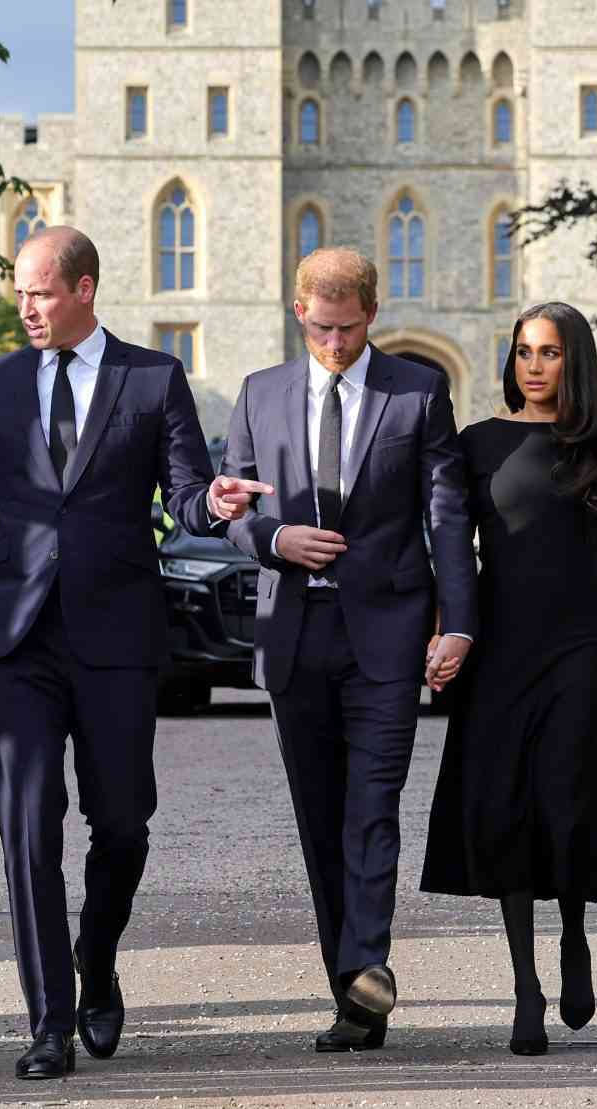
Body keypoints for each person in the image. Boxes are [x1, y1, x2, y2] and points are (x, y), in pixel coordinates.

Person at [0, 226, 260, 1081]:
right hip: (17, 638)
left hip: (117, 634)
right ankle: (48, 1020)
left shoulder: (152, 378)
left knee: (121, 822)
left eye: (40, 292)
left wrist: (216, 503)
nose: (26, 307)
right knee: (26, 830)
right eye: (18, 294)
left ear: (84, 288)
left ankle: (97, 955)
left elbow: (185, 495)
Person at [211, 247, 479, 1052]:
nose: (335, 342)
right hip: (294, 635)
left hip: (386, 637)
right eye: (322, 326)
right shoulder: (259, 395)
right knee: (321, 819)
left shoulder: (419, 390)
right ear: (300, 311)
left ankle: (367, 968)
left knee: (372, 809)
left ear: (373, 315)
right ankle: (351, 992)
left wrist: (457, 620)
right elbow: (232, 507)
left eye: (350, 327)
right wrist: (274, 537)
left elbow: (447, 514)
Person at [419, 300, 597, 1056]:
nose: (533, 364)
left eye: (550, 352)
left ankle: (576, 935)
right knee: (503, 805)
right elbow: (451, 544)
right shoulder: (478, 444)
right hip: (497, 647)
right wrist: (443, 627)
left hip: (576, 646)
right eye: (524, 350)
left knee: (562, 792)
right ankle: (525, 985)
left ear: (574, 360)